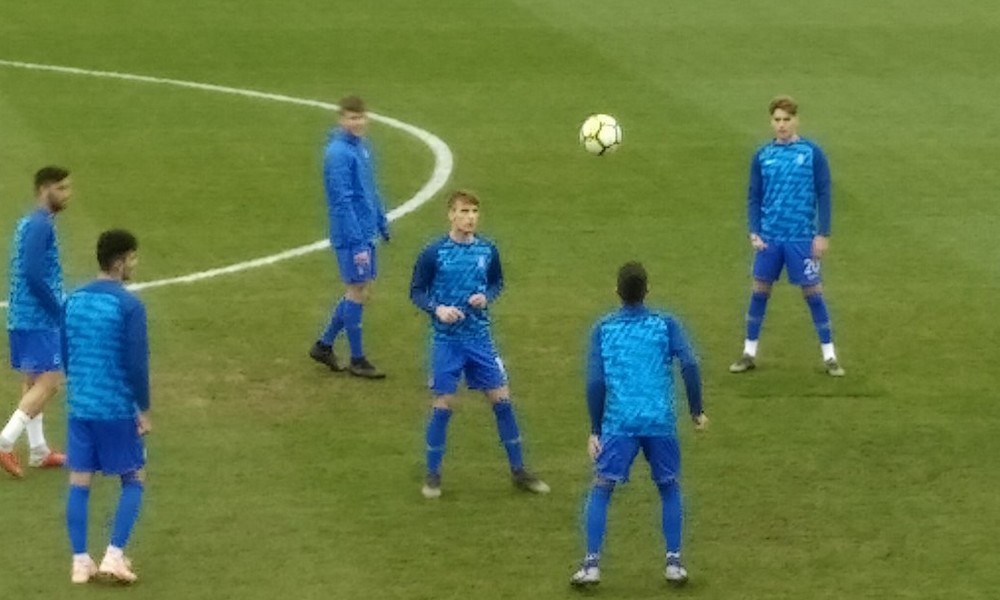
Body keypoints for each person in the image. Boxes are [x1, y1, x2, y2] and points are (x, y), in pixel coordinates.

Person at [571, 262, 708, 588]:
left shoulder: (603, 329)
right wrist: (696, 411)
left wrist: (595, 428)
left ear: (616, 292)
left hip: (620, 423)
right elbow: (690, 364)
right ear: (647, 290)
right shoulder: (665, 324)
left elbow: (595, 382)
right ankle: (674, 563)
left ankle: (591, 565)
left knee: (602, 487)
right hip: (660, 421)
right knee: (669, 486)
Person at [409, 190, 549, 499]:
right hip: (447, 341)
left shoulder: (487, 250)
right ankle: (432, 474)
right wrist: (438, 309)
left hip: (480, 339)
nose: (470, 217)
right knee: (443, 404)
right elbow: (416, 291)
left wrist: (486, 296)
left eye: (474, 211)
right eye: (464, 211)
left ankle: (519, 470)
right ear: (451, 215)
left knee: (502, 400)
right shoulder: (434, 252)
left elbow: (497, 282)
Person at [730, 95, 845, 376]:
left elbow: (824, 193)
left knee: (813, 293)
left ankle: (830, 356)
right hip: (770, 237)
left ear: (796, 121)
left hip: (801, 237)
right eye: (777, 120)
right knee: (759, 292)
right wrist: (754, 231)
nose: (781, 125)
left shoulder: (812, 153)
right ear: (771, 122)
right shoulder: (762, 155)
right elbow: (754, 196)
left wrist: (823, 233)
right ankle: (748, 352)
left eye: (786, 119)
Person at [63, 229, 149, 584]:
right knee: (134, 478)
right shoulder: (129, 306)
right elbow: (136, 364)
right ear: (118, 263)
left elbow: (66, 352)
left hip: (79, 406)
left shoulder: (73, 300)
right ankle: (114, 556)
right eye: (131, 258)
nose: (135, 264)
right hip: (114, 407)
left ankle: (80, 562)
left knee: (79, 481)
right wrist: (143, 409)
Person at [308, 95, 390, 379]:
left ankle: (324, 345)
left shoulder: (362, 147)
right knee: (357, 290)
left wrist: (380, 219)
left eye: (361, 117)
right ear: (341, 119)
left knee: (361, 289)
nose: (357, 123)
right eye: (352, 118)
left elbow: (369, 188)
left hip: (365, 229)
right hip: (350, 234)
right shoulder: (337, 154)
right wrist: (356, 243)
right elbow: (342, 201)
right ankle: (357, 359)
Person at [0, 166, 73, 478]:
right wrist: (57, 309)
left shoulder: (29, 222)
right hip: (37, 317)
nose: (67, 194)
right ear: (44, 189)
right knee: (51, 380)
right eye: (62, 188)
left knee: (33, 380)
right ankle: (5, 441)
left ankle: (39, 450)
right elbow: (32, 274)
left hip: (22, 315)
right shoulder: (41, 225)